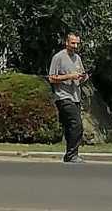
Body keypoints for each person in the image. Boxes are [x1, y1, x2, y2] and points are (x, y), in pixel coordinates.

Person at [48, 32, 89, 163]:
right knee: (77, 125)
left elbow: (80, 74)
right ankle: (72, 155)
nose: (75, 46)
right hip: (63, 96)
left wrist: (83, 77)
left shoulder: (77, 58)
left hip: (76, 96)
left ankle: (70, 155)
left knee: (70, 127)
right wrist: (69, 76)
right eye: (73, 43)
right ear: (66, 43)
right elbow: (51, 78)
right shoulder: (58, 57)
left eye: (77, 43)